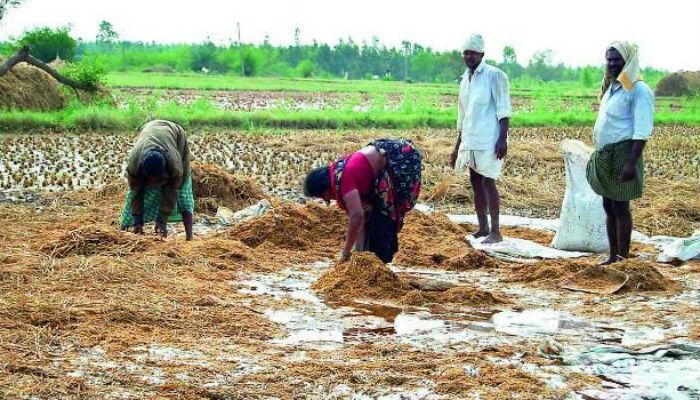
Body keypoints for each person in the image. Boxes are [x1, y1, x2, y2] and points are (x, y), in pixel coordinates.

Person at [586, 41, 654, 264]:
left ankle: (622, 259)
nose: (612, 64)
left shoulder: (639, 90)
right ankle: (612, 255)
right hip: (607, 154)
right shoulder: (614, 86)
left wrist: (631, 164)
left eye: (617, 60)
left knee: (620, 206)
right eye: (609, 59)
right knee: (608, 204)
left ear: (628, 61)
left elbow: (642, 130)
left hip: (624, 154)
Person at [303, 139, 422, 263]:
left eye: (323, 197)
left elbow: (357, 217)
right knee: (370, 216)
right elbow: (361, 219)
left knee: (381, 219)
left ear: (324, 189)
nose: (326, 200)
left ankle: (380, 262)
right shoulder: (338, 174)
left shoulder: (344, 180)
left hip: (400, 158)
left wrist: (345, 253)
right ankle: (369, 259)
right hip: (383, 159)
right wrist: (358, 254)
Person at [450, 33, 512, 243]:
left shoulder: (495, 76)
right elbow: (462, 114)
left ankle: (496, 231)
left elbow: (504, 110)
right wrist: (457, 146)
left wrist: (502, 139)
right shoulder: (465, 80)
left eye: (472, 53)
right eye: (465, 53)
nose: (468, 56)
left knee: (488, 181)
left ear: (482, 54)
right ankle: (483, 228)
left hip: (490, 139)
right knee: (475, 181)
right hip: (471, 139)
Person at [120, 120, 194, 241]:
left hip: (175, 133)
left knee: (183, 191)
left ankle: (189, 237)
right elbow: (136, 193)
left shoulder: (175, 166)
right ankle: (124, 231)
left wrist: (162, 220)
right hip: (148, 129)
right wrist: (137, 221)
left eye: (158, 178)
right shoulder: (134, 166)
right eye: (151, 179)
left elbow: (172, 190)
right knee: (133, 195)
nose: (154, 182)